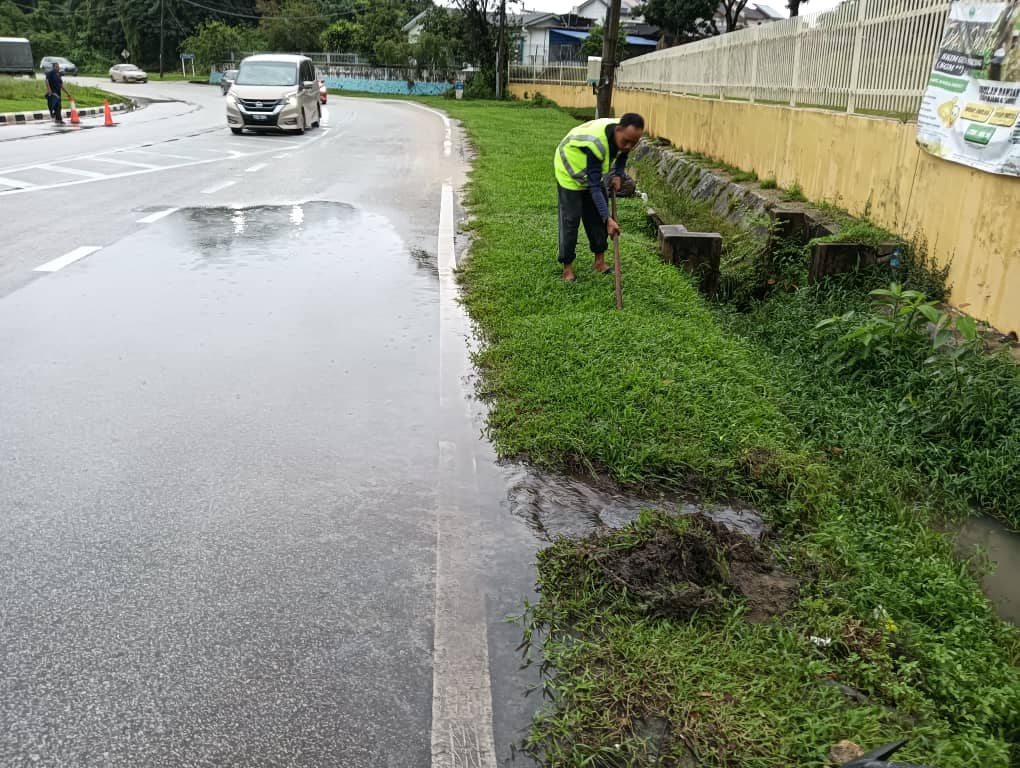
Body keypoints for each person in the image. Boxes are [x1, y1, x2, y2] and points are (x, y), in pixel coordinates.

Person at [553, 113, 645, 283]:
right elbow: (594, 186)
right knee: (570, 220)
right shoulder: (597, 144)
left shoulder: (625, 133)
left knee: (597, 216)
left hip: (590, 171)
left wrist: (618, 174)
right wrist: (608, 218)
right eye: (626, 141)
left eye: (634, 143)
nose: (629, 146)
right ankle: (567, 268)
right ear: (618, 130)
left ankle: (599, 263)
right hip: (570, 169)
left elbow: (623, 153)